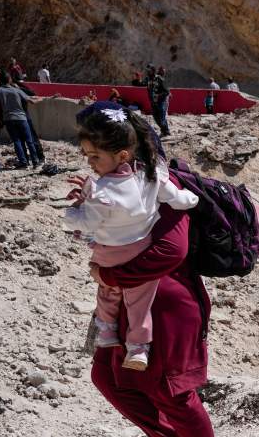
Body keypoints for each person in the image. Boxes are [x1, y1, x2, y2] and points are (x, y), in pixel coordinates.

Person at [85, 112, 229, 437]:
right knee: (108, 375)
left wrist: (110, 275)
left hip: (167, 307)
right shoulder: (121, 184)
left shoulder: (162, 185)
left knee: (170, 388)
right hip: (128, 303)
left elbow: (170, 251)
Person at [65, 108, 200, 371]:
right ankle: (138, 348)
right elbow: (177, 198)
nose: (90, 163)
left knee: (107, 293)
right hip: (139, 248)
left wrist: (74, 211)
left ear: (122, 155)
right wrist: (193, 198)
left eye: (95, 156)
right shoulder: (152, 175)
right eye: (87, 156)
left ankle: (106, 333)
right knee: (139, 304)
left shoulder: (102, 189)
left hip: (107, 253)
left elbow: (87, 223)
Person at [0, 72, 42, 167]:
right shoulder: (17, 90)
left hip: (8, 119)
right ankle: (35, 161)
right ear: (9, 79)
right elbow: (31, 100)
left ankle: (23, 162)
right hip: (22, 118)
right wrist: (41, 99)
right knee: (29, 140)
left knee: (17, 141)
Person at [147, 67, 171, 137]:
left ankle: (166, 131)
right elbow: (149, 91)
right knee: (156, 118)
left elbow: (167, 92)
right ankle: (164, 131)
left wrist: (158, 96)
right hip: (153, 103)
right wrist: (151, 100)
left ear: (153, 71)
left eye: (150, 71)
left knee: (162, 119)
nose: (148, 72)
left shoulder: (160, 79)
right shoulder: (149, 80)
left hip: (161, 102)